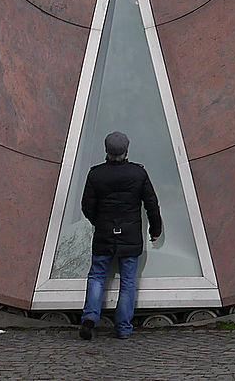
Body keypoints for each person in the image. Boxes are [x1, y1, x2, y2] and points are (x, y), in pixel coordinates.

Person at [79, 131, 162, 340]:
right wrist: (155, 230)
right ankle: (123, 327)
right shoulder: (138, 173)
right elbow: (151, 203)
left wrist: (99, 223)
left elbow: (86, 206)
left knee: (97, 276)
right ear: (127, 150)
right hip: (130, 235)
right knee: (127, 282)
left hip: (104, 233)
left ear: (106, 150)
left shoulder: (96, 174)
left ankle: (90, 317)